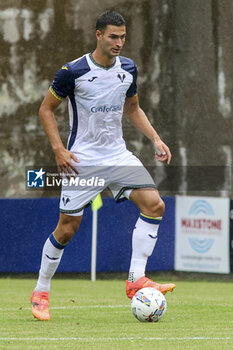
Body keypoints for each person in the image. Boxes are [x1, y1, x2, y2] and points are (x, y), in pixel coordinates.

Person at [31, 10, 176, 321]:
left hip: (118, 156)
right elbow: (45, 110)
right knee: (67, 229)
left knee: (154, 205)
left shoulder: (128, 69)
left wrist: (155, 139)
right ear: (98, 35)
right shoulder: (73, 71)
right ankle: (41, 291)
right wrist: (59, 150)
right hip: (83, 161)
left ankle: (136, 278)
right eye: (113, 36)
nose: (119, 42)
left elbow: (133, 108)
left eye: (122, 37)